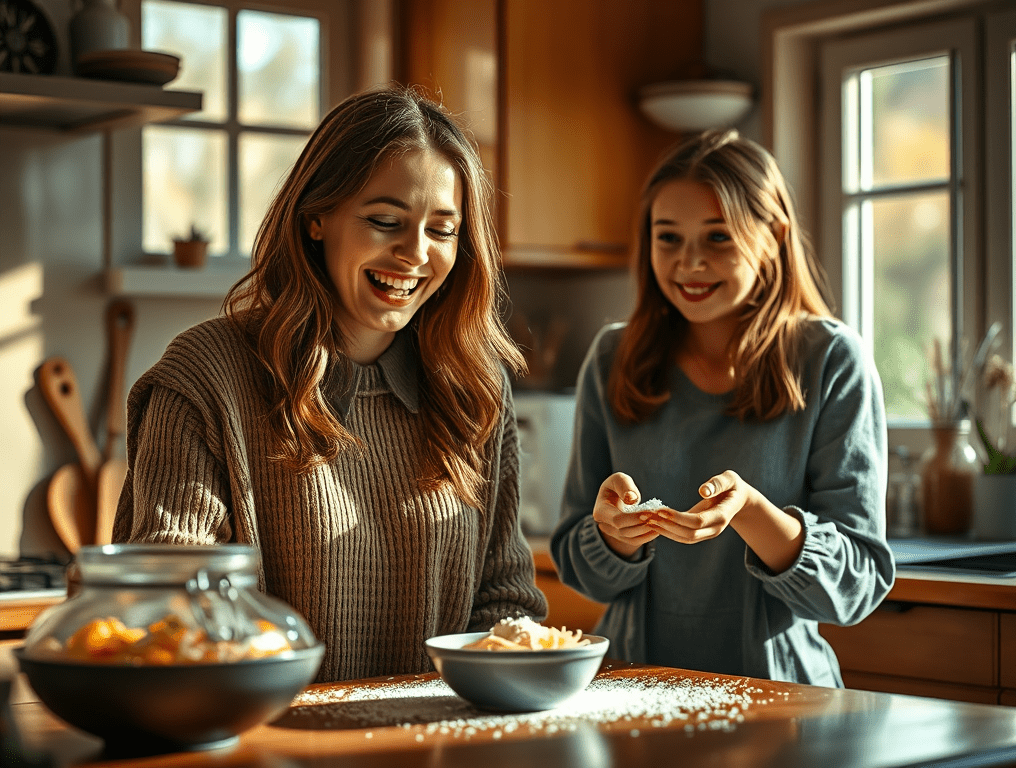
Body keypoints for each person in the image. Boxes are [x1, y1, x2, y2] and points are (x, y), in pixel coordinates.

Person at [112, 84, 547, 682]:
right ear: (317, 217)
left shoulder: (474, 386)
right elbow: (170, 607)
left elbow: (505, 603)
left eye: (442, 231)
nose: (413, 253)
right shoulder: (207, 376)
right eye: (385, 220)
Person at [550, 129, 894, 687]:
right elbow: (578, 564)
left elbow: (855, 586)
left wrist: (752, 513)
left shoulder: (832, 360)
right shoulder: (612, 358)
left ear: (773, 238)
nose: (689, 263)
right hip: (630, 692)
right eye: (669, 238)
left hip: (784, 704)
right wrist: (614, 534)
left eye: (718, 237)